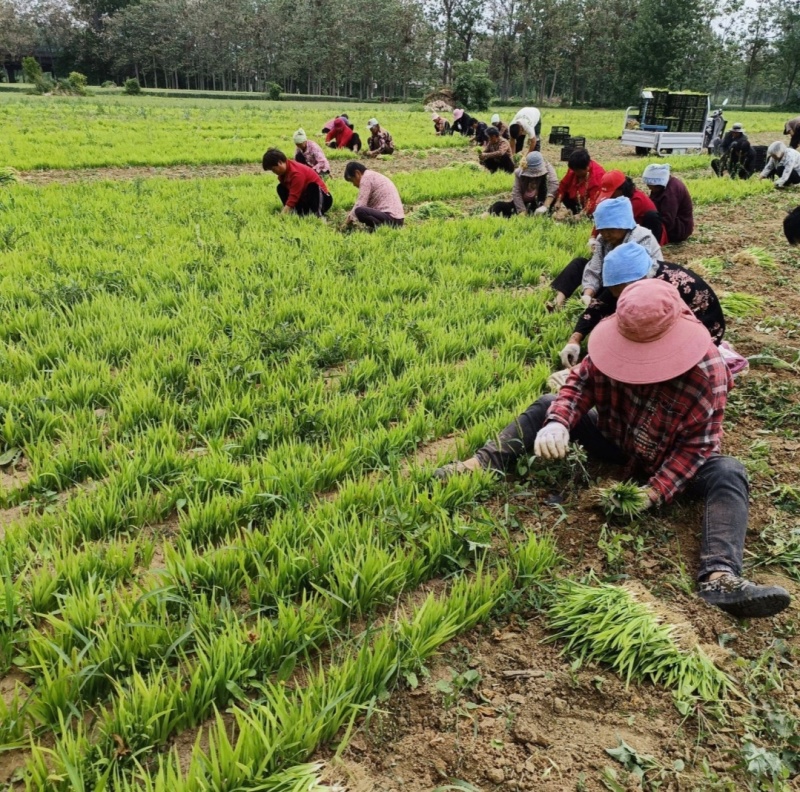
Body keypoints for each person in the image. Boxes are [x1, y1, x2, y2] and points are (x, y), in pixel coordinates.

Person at [435, 279, 790, 620]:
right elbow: (579, 383)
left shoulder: (707, 373)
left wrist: (653, 492)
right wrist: (559, 420)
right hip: (616, 439)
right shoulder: (608, 345)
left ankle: (719, 577)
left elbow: (697, 446)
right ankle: (479, 463)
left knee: (728, 472)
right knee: (547, 403)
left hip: (668, 458)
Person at [563, 242, 725, 366]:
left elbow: (654, 332)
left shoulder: (665, 289)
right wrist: (574, 340)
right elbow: (598, 307)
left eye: (619, 291)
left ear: (636, 281)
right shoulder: (628, 280)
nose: (615, 296)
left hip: (702, 331)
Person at [550, 196, 661, 316]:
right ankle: (558, 301)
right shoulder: (602, 239)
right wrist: (587, 294)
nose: (606, 234)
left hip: (633, 286)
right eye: (602, 230)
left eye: (610, 230)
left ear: (623, 223)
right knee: (579, 264)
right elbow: (595, 267)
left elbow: (639, 274)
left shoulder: (641, 237)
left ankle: (593, 312)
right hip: (611, 282)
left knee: (614, 283)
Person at [596, 170, 664, 244]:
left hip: (646, 234)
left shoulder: (636, 201)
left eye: (611, 194)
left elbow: (615, 222)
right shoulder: (618, 200)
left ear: (621, 190)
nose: (609, 198)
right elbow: (603, 217)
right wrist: (593, 236)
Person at [262, 148, 332, 217]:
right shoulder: (283, 174)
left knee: (312, 186)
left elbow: (294, 196)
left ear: (280, 162)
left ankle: (318, 214)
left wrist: (282, 215)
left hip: (323, 201)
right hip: (306, 199)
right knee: (280, 188)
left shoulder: (296, 173)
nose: (274, 172)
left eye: (273, 169)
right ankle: (297, 213)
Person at [489, 151, 558, 217]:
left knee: (554, 196)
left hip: (541, 200)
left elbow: (554, 184)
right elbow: (516, 192)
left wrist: (545, 206)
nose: (534, 177)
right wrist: (522, 211)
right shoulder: (520, 171)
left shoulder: (546, 166)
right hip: (525, 201)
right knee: (498, 206)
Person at [343, 161, 404, 231]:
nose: (353, 184)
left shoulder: (366, 178)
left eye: (352, 180)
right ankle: (384, 228)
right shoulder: (372, 175)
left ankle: (383, 229)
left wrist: (347, 223)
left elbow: (360, 204)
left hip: (391, 218)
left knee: (359, 211)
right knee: (361, 211)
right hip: (398, 219)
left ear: (357, 173)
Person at [642, 164, 694, 243]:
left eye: (649, 185)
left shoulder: (670, 192)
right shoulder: (661, 188)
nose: (648, 187)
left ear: (657, 183)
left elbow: (668, 220)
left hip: (678, 229)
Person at [552, 149, 606, 217]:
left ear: (587, 168)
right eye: (573, 170)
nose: (575, 173)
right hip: (576, 200)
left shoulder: (597, 177)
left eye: (578, 171)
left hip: (592, 207)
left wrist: (581, 214)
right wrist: (558, 201)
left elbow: (593, 201)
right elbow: (563, 185)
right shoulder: (574, 169)